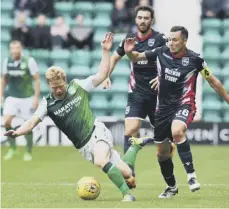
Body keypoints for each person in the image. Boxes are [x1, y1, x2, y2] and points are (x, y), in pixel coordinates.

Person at [4, 33, 141, 202]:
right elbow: (31, 122)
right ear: (50, 85)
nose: (59, 90)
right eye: (55, 88)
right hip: (83, 146)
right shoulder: (47, 104)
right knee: (127, 172)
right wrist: (18, 133)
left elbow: (101, 74)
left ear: (65, 81)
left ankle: (126, 194)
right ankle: (135, 147)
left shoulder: (77, 86)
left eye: (60, 86)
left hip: (96, 131)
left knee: (100, 161)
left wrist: (106, 51)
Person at [124, 26, 229, 198]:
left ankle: (191, 177)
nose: (170, 43)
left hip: (184, 104)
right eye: (170, 39)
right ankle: (171, 186)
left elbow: (213, 81)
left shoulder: (196, 60)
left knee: (177, 131)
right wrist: (129, 52)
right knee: (162, 153)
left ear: (184, 41)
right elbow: (136, 57)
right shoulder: (160, 52)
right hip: (162, 109)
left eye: (175, 40)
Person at [103, 6, 171, 154]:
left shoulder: (160, 39)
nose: (143, 21)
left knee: (163, 146)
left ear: (151, 20)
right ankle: (128, 171)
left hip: (157, 95)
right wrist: (106, 76)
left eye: (146, 18)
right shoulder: (129, 39)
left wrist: (162, 78)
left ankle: (167, 153)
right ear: (135, 19)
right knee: (130, 129)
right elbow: (114, 57)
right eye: (140, 18)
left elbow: (172, 61)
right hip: (136, 93)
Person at [1, 40, 40, 161]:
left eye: (17, 48)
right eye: (12, 48)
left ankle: (28, 151)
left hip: (27, 98)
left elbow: (37, 80)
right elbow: (4, 79)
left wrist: (35, 97)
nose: (15, 50)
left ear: (21, 49)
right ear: (10, 49)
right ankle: (13, 148)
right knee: (7, 122)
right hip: (12, 97)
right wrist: (1, 94)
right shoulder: (7, 61)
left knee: (28, 125)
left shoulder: (29, 61)